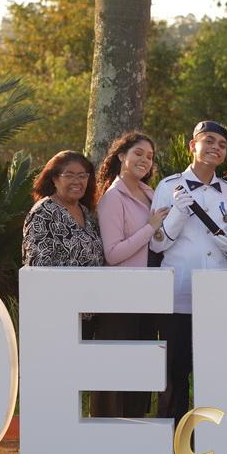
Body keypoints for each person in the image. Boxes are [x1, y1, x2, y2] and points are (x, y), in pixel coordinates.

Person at [149, 120, 227, 426]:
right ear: (193, 145)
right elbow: (156, 243)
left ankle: (215, 436)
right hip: (179, 293)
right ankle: (171, 437)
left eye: (222, 145)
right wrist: (178, 213)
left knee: (217, 369)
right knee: (175, 370)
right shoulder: (168, 187)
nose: (216, 148)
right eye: (210, 141)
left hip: (219, 294)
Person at [92, 132, 169, 418]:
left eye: (149, 156)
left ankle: (136, 428)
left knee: (140, 368)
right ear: (121, 155)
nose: (145, 160)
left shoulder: (152, 194)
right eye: (138, 153)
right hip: (120, 298)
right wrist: (150, 227)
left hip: (148, 296)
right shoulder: (112, 198)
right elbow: (113, 254)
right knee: (115, 368)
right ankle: (107, 429)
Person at [22, 150, 104, 268]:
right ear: (55, 179)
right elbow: (37, 267)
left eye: (82, 176)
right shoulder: (43, 213)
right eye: (69, 175)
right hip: (58, 281)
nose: (77, 181)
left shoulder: (86, 212)